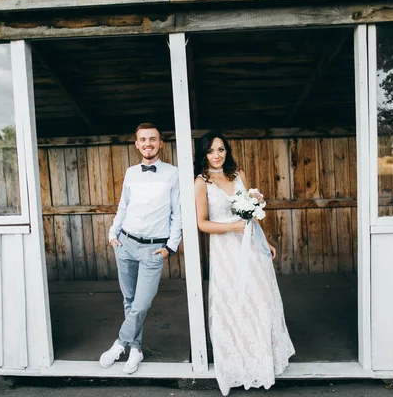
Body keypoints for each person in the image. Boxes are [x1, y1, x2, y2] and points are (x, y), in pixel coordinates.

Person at [193, 132, 295, 396]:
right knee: (234, 302)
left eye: (221, 149)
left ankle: (262, 360)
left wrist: (264, 240)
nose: (217, 155)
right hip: (226, 250)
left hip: (250, 244)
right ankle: (238, 364)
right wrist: (233, 226)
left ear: (227, 151)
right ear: (203, 154)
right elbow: (202, 223)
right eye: (211, 151)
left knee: (259, 299)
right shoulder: (201, 182)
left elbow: (250, 211)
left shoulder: (238, 173)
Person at [100, 122, 182, 374]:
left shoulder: (173, 173)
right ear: (137, 144)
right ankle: (135, 349)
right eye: (143, 139)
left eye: (152, 139)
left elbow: (177, 213)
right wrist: (113, 233)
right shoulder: (130, 172)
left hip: (154, 249)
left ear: (160, 143)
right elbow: (123, 206)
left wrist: (171, 246)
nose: (148, 143)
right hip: (125, 243)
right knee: (129, 299)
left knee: (141, 303)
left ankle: (120, 342)